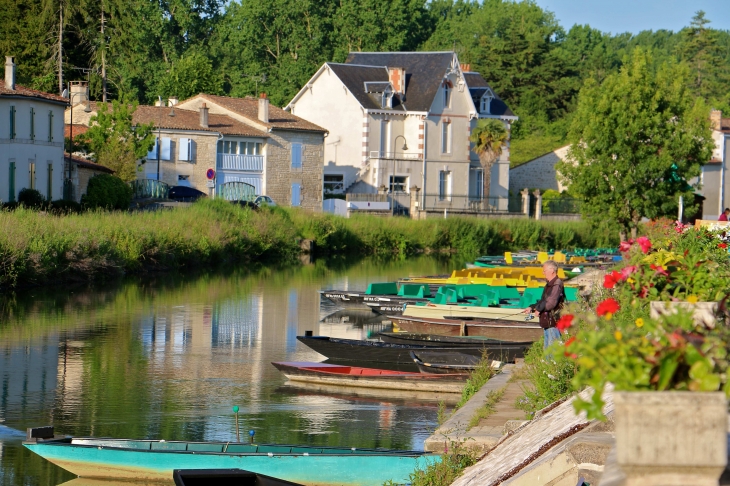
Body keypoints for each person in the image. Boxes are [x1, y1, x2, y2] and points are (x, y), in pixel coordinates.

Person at [523, 260, 566, 349]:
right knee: (547, 351)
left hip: (553, 323)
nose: (543, 273)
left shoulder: (557, 284)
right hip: (547, 322)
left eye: (544, 270)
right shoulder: (549, 284)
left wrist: (538, 309)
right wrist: (532, 307)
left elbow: (551, 302)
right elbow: (543, 301)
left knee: (552, 351)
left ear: (552, 270)